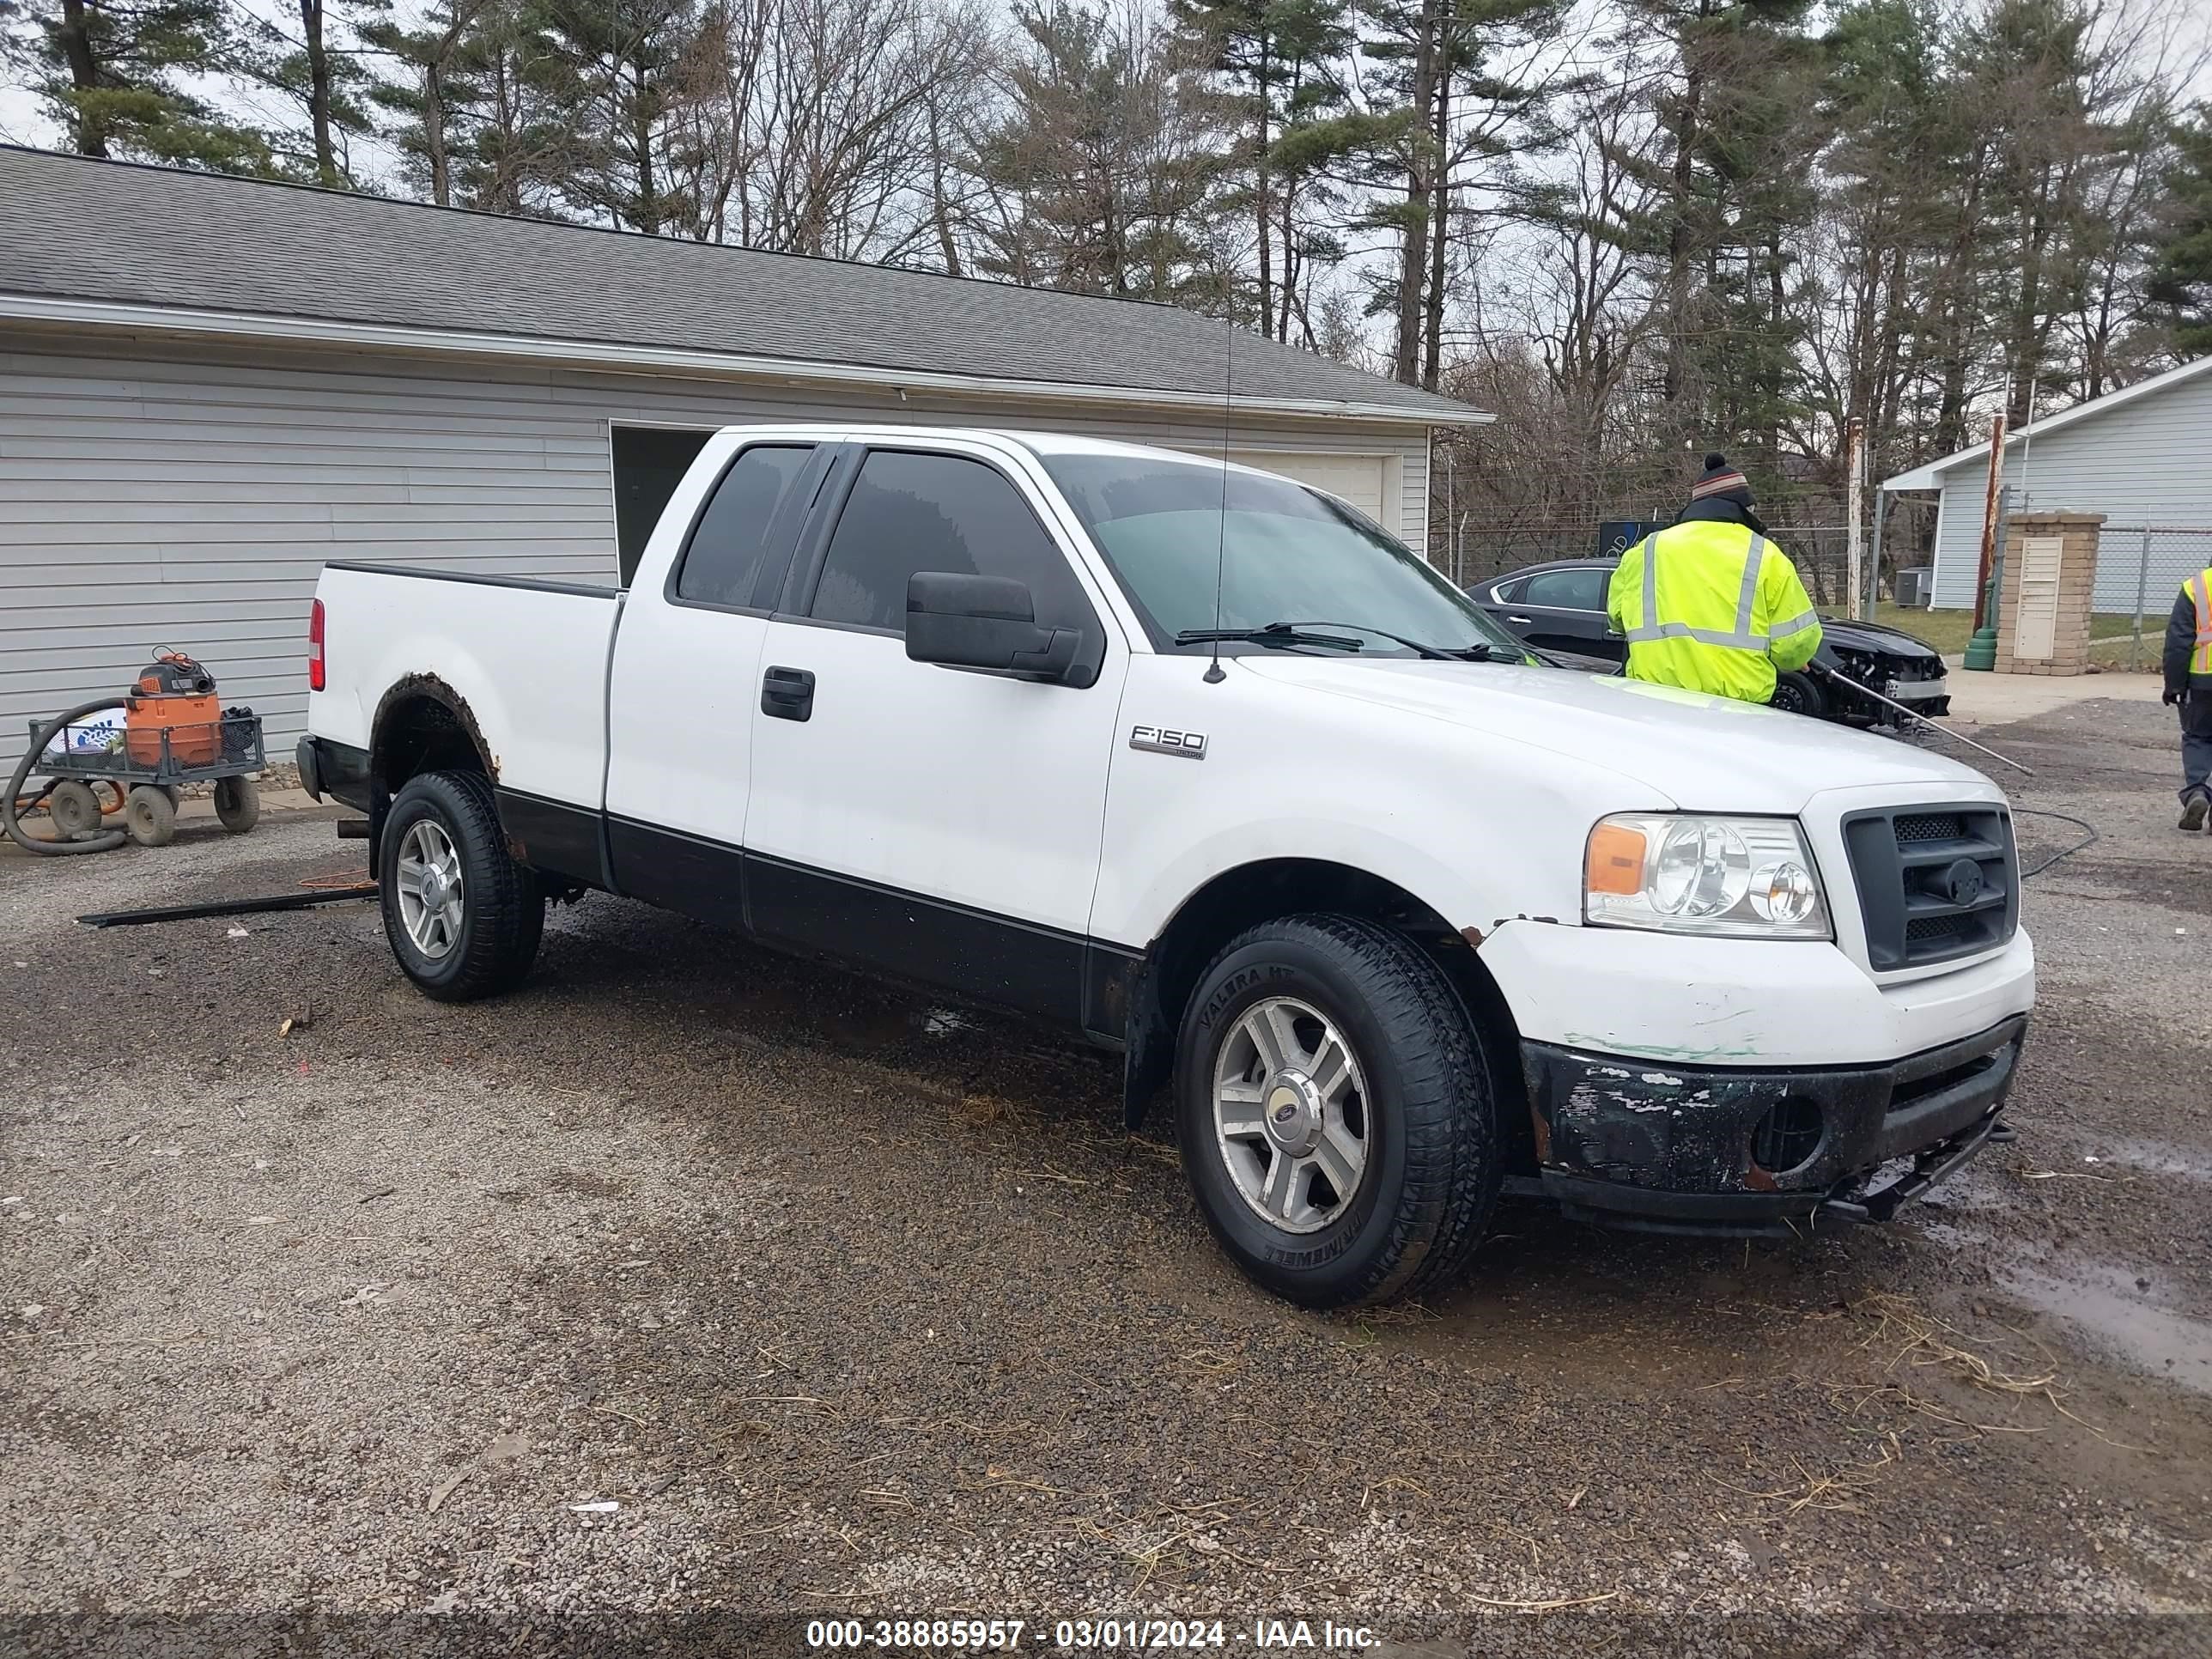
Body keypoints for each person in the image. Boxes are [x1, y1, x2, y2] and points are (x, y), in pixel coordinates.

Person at [1607, 453, 1824, 707]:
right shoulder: (1765, 555)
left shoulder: (1645, 550)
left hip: (1654, 706)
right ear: (1745, 507)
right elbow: (1793, 646)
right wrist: (1798, 658)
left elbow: (1617, 618)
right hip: (1735, 712)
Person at [2165, 562, 2212, 831]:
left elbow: (2179, 640)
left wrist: (2174, 685)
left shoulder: (2196, 587)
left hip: (2202, 679)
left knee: (2197, 737)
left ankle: (2197, 792)